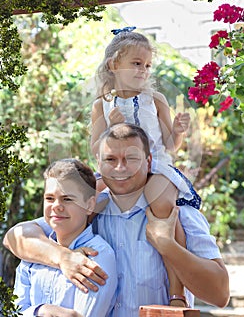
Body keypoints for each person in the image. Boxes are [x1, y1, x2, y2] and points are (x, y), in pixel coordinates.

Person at [4, 123, 229, 317]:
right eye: (111, 159)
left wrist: (167, 245)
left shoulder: (178, 214)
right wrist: (64, 258)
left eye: (131, 158)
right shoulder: (87, 210)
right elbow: (15, 238)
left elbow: (220, 294)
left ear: (149, 161)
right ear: (99, 164)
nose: (120, 168)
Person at [91, 27, 201, 300]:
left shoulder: (156, 100)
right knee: (83, 196)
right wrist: (112, 129)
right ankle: (82, 267)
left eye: (148, 65)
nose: (143, 70)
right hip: (119, 168)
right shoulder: (102, 105)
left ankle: (177, 291)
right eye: (136, 63)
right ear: (114, 65)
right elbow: (96, 149)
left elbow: (170, 146)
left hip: (156, 167)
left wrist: (178, 130)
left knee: (163, 204)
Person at [12, 158, 117, 317]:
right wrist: (42, 310)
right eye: (49, 198)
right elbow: (13, 312)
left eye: (67, 199)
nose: (56, 206)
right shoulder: (33, 254)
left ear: (89, 205)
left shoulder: (97, 256)